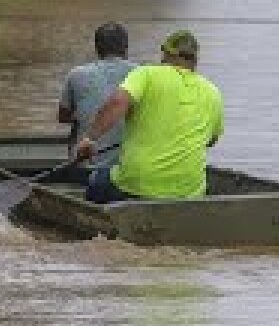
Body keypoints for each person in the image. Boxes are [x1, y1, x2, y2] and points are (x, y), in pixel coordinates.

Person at [75, 30, 224, 203]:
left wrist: (89, 140)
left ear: (167, 54)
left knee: (96, 180)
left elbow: (117, 103)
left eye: (163, 55)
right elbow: (211, 141)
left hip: (137, 185)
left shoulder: (146, 73)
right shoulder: (213, 92)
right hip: (189, 192)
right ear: (195, 59)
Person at [59, 23, 136, 170]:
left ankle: (77, 161)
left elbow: (63, 117)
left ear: (97, 48)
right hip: (128, 169)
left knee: (77, 122)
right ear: (126, 48)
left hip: (84, 168)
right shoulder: (142, 74)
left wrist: (89, 114)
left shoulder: (76, 74)